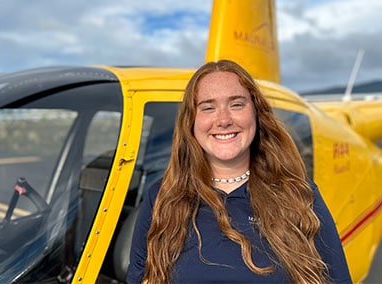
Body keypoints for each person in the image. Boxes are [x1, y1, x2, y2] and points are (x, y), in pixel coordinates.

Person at [127, 60, 352, 283]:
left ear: (256, 113)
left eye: (236, 104)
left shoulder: (298, 195)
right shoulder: (162, 199)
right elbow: (138, 277)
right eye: (208, 107)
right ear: (191, 121)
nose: (223, 120)